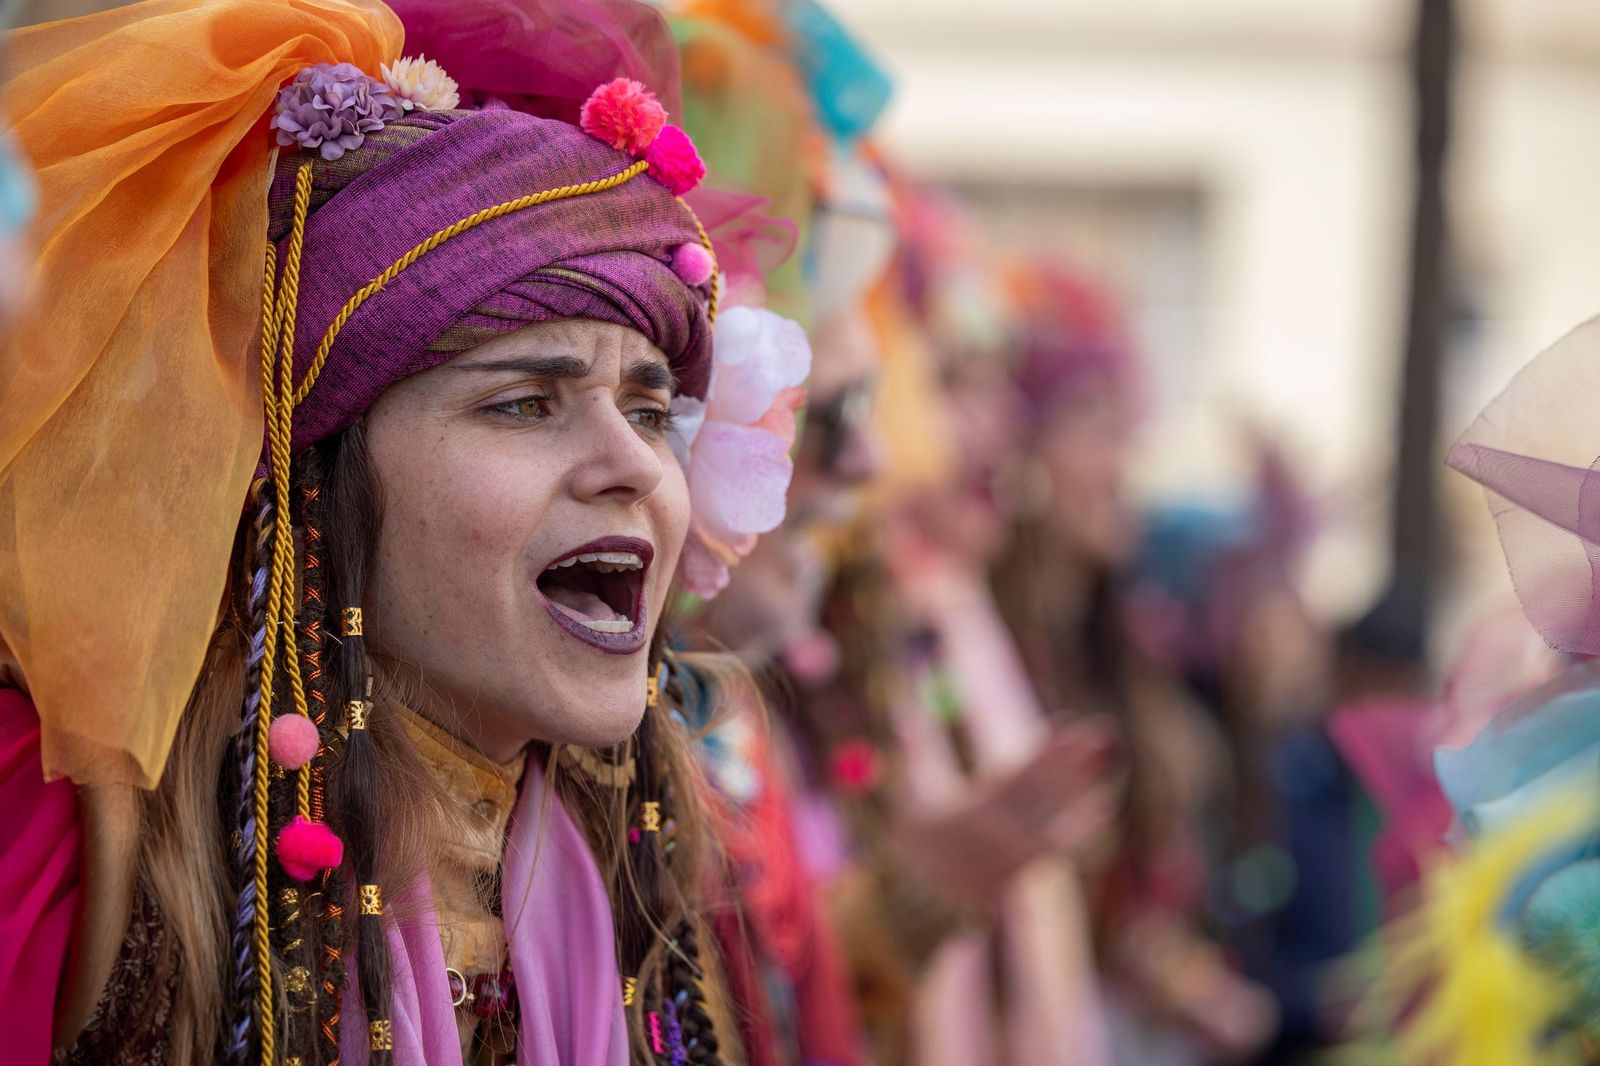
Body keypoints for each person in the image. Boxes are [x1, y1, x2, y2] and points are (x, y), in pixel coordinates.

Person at [0, 1, 810, 1063]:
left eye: (653, 411)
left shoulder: (653, 878)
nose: (634, 466)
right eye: (525, 402)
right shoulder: (69, 838)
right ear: (317, 476)